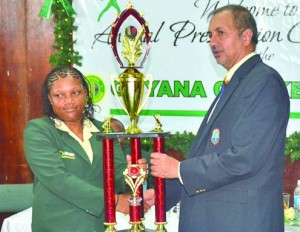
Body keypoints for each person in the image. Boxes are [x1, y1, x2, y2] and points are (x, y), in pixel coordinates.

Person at [150, 4, 290, 232]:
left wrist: (179, 170)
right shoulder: (237, 82)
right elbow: (210, 155)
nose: (212, 42)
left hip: (240, 223)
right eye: (210, 35)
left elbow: (245, 159)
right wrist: (161, 195)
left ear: (246, 36)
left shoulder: (263, 82)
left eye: (221, 33)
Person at [24, 66, 152, 232]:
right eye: (59, 95)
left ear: (86, 93)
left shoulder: (104, 131)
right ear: (49, 98)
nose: (68, 101)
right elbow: (58, 180)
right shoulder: (38, 130)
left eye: (75, 93)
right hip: (57, 226)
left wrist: (132, 174)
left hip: (100, 227)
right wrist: (113, 201)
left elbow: (116, 177)